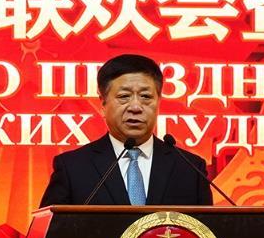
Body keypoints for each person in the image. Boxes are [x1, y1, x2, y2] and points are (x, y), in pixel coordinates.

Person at [40, 54, 213, 206]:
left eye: (146, 96)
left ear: (159, 102)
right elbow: (47, 231)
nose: (136, 107)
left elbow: (207, 231)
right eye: (124, 96)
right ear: (102, 104)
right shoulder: (73, 168)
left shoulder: (191, 169)